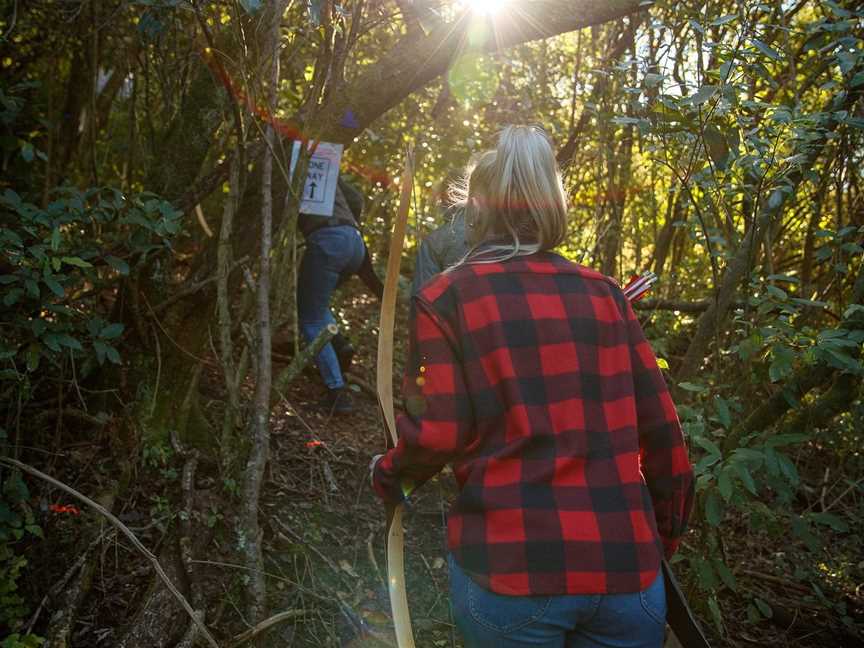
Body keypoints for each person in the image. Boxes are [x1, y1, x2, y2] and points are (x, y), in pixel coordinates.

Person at [372, 125, 694, 647]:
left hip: (511, 573)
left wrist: (389, 479)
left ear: (476, 210)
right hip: (626, 572)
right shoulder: (605, 295)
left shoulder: (447, 298)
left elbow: (436, 434)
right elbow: (665, 438)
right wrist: (655, 541)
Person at [297, 176, 382, 414]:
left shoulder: (292, 160)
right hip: (354, 241)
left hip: (329, 240)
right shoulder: (322, 161)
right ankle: (338, 344)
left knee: (310, 318)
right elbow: (355, 197)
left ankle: (337, 392)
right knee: (315, 303)